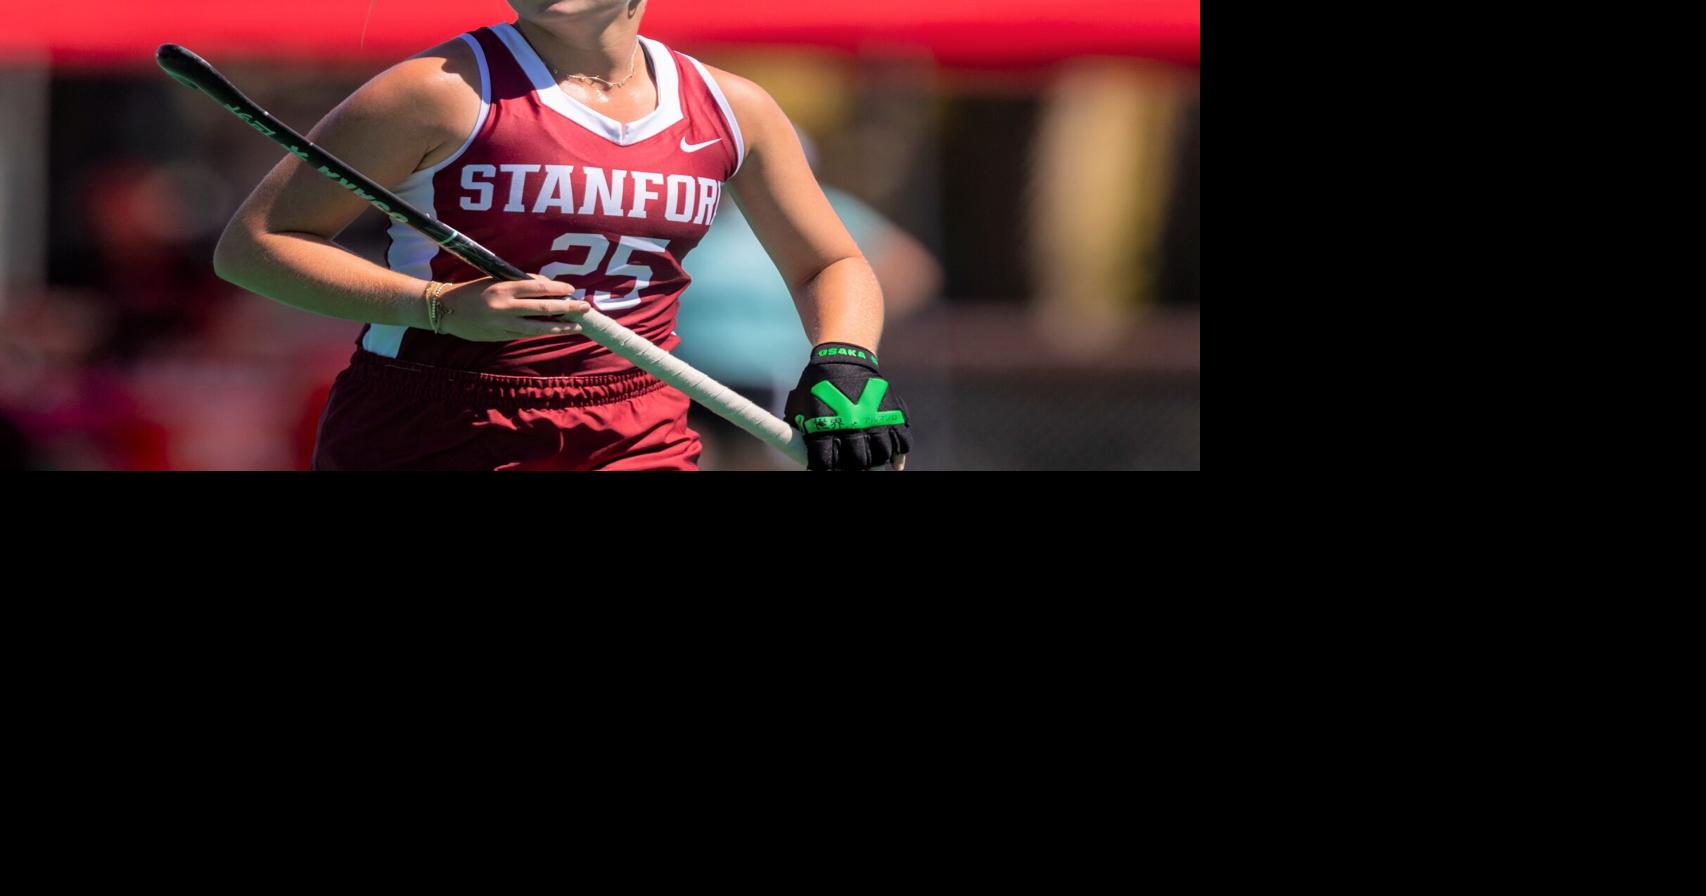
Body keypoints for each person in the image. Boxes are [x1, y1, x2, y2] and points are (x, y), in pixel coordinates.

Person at [215, 0, 911, 471]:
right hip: (432, 423)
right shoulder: (432, 92)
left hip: (636, 425)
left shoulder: (734, 109)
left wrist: (844, 363)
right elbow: (256, 245)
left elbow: (829, 261)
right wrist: (436, 306)